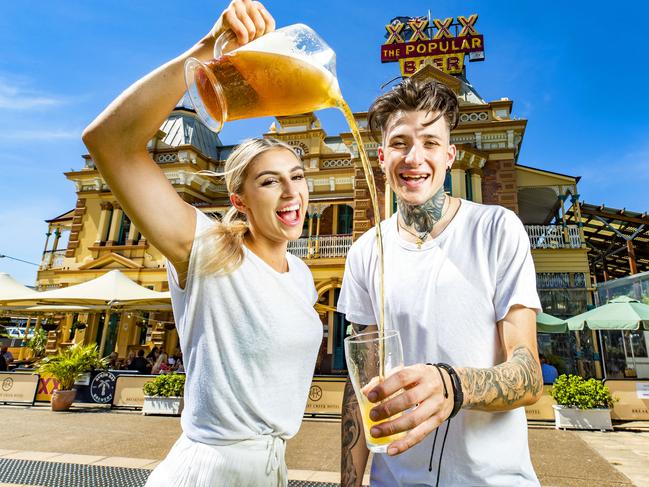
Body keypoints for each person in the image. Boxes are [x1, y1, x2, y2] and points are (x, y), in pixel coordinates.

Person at [81, 2, 322, 485]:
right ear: (240, 199)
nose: (292, 192)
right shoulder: (210, 250)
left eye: (297, 177)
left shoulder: (302, 276)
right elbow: (109, 141)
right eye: (270, 182)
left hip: (271, 467)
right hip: (211, 469)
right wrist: (208, 49)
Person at [337, 78, 544, 486]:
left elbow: (529, 374)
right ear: (381, 157)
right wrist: (349, 480)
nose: (415, 158)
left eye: (430, 143)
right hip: (392, 478)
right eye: (400, 143)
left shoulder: (496, 229)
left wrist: (452, 384)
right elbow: (360, 383)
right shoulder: (366, 250)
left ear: (449, 156)